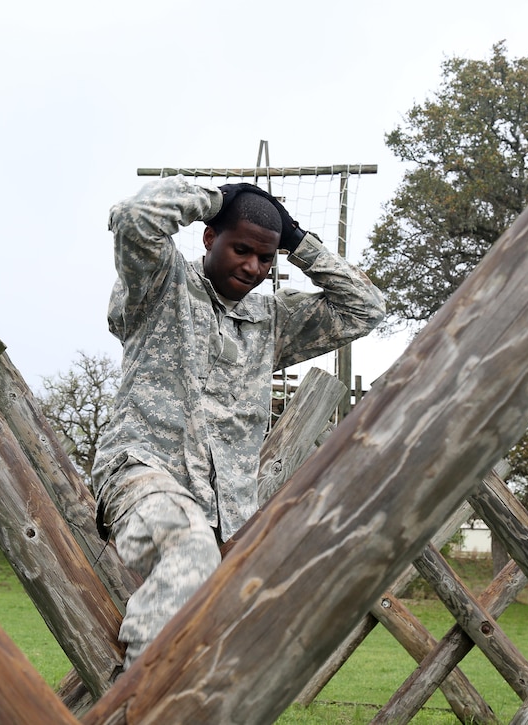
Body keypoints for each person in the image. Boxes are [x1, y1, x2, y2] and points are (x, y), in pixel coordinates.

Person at [92, 175, 386, 666]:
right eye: (242, 250)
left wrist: (296, 242)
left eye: (265, 258)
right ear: (210, 237)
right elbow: (133, 219)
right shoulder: (161, 285)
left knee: (247, 625)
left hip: (226, 514)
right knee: (188, 548)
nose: (253, 267)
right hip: (142, 474)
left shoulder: (270, 322)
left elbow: (365, 308)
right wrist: (215, 199)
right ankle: (140, 697)